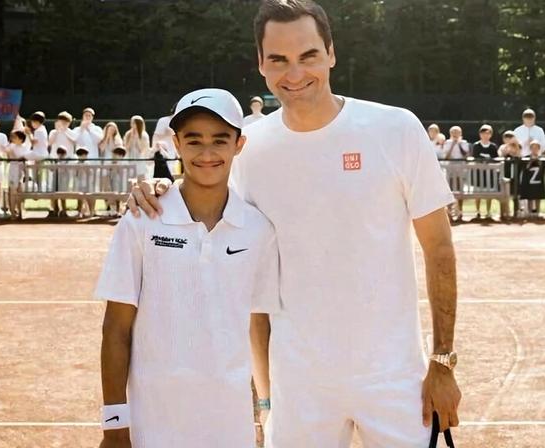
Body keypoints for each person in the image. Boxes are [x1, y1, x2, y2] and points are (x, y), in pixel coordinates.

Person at [129, 1, 461, 446]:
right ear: (261, 65)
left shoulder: (396, 129)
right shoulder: (252, 149)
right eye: (279, 60)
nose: (295, 73)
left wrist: (442, 363)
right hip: (297, 390)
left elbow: (439, 248)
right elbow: (206, 205)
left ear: (330, 54)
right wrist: (157, 187)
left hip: (395, 378)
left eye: (307, 56)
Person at [97, 88, 281, 448]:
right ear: (176, 143)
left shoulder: (259, 229)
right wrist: (115, 426)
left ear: (239, 144)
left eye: (220, 140)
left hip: (229, 427)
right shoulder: (141, 220)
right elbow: (116, 329)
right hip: (152, 424)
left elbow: (258, 324)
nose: (207, 153)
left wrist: (266, 406)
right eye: (194, 140)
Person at [471, 124, 498, 219]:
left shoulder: (493, 147)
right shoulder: (476, 146)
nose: (485, 135)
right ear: (480, 134)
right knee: (477, 193)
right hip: (478, 173)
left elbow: (496, 160)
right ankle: (477, 211)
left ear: (490, 134)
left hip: (490, 174)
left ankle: (488, 211)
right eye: (483, 133)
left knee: (489, 193)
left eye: (487, 133)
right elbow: (474, 158)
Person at [3, 129, 31, 219]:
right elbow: (7, 152)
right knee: (12, 191)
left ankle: (20, 211)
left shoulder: (25, 146)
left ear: (20, 139)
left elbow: (26, 159)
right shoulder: (11, 146)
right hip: (13, 170)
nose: (13, 138)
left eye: (15, 137)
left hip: (21, 171)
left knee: (19, 191)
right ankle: (12, 212)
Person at [518, 140, 545, 218]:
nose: (534, 149)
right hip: (528, 180)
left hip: (538, 180)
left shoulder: (542, 158)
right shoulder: (526, 158)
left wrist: (538, 160)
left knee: (538, 196)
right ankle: (530, 211)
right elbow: (524, 168)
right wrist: (530, 161)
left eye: (536, 148)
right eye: (533, 148)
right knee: (529, 196)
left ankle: (537, 211)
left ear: (539, 148)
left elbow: (543, 169)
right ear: (530, 149)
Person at [124, 115, 151, 181]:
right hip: (130, 158)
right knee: (130, 178)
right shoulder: (128, 134)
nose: (132, 124)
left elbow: (142, 149)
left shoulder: (144, 135)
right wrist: (131, 138)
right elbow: (126, 148)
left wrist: (137, 138)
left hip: (140, 159)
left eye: (133, 123)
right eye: (131, 122)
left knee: (141, 178)